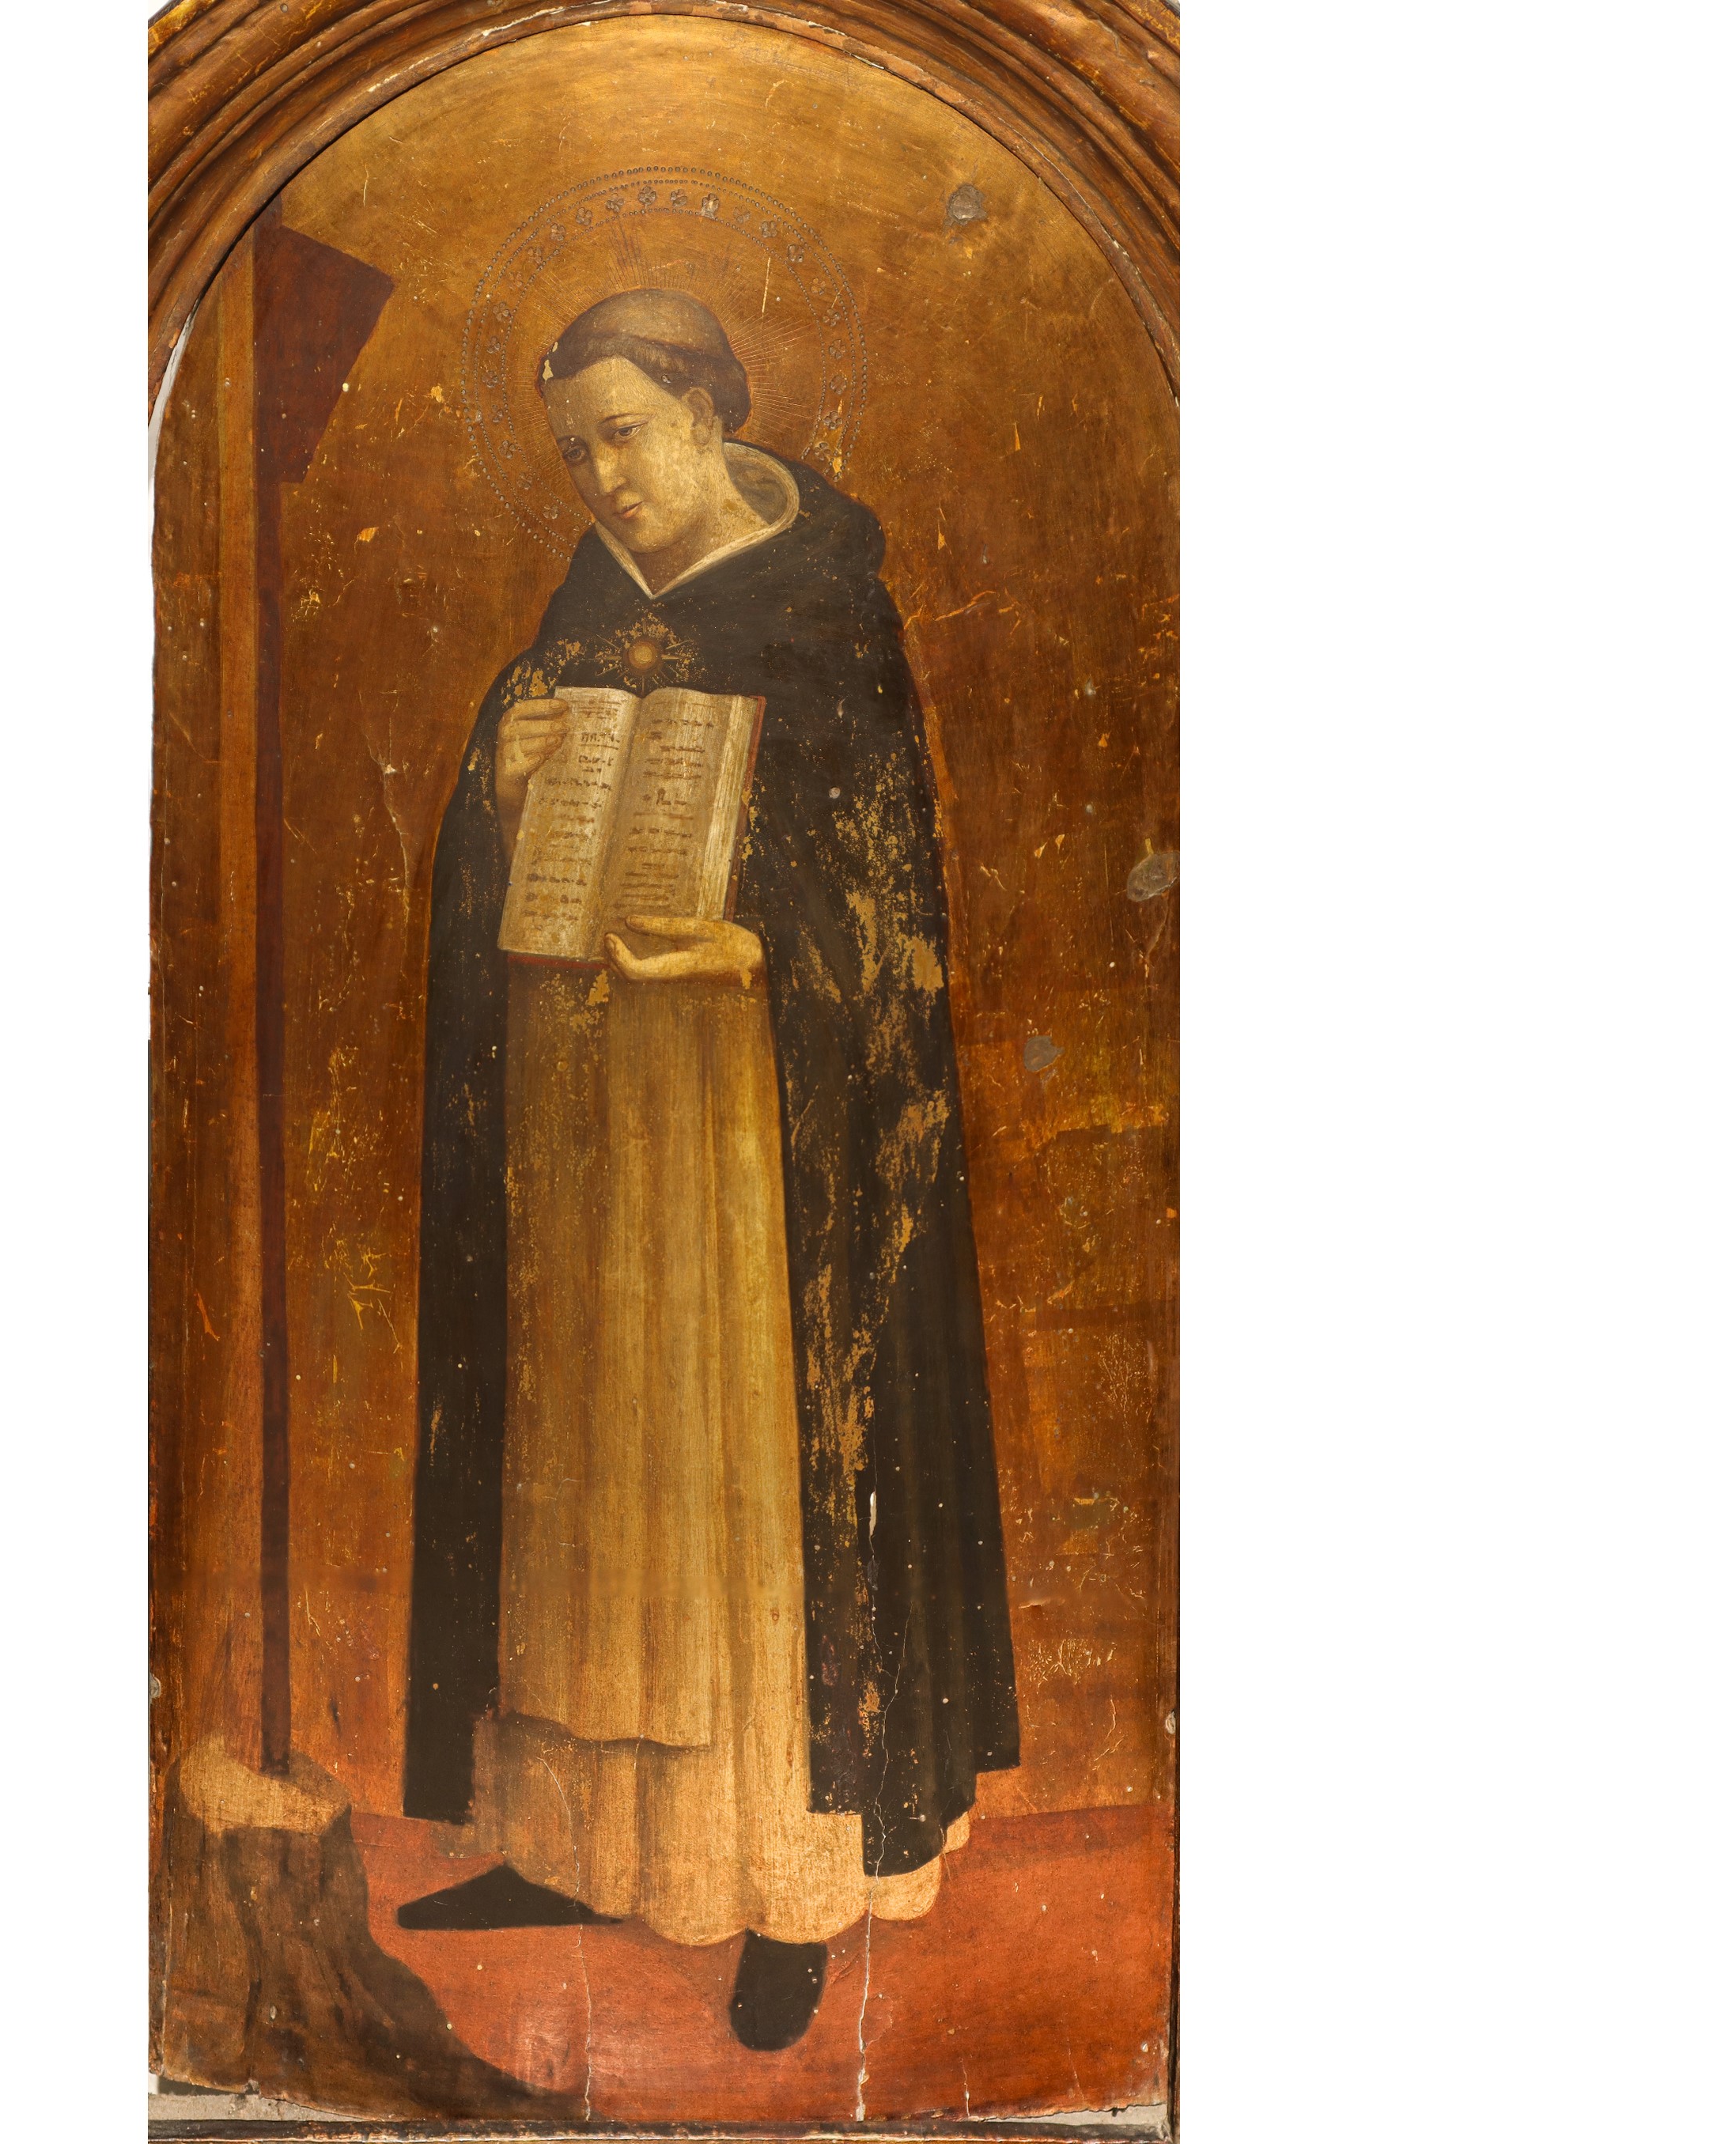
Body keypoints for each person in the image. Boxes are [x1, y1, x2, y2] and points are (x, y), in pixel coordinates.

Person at [402, 289, 1018, 2051]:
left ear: (709, 414)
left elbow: (887, 901)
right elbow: (504, 854)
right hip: (581, 1113)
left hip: (750, 1134)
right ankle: (579, 1842)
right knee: (588, 1474)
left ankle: (776, 1886)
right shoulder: (587, 601)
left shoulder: (826, 605)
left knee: (728, 1480)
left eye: (626, 434)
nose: (602, 477)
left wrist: (753, 945)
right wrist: (499, 785)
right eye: (574, 450)